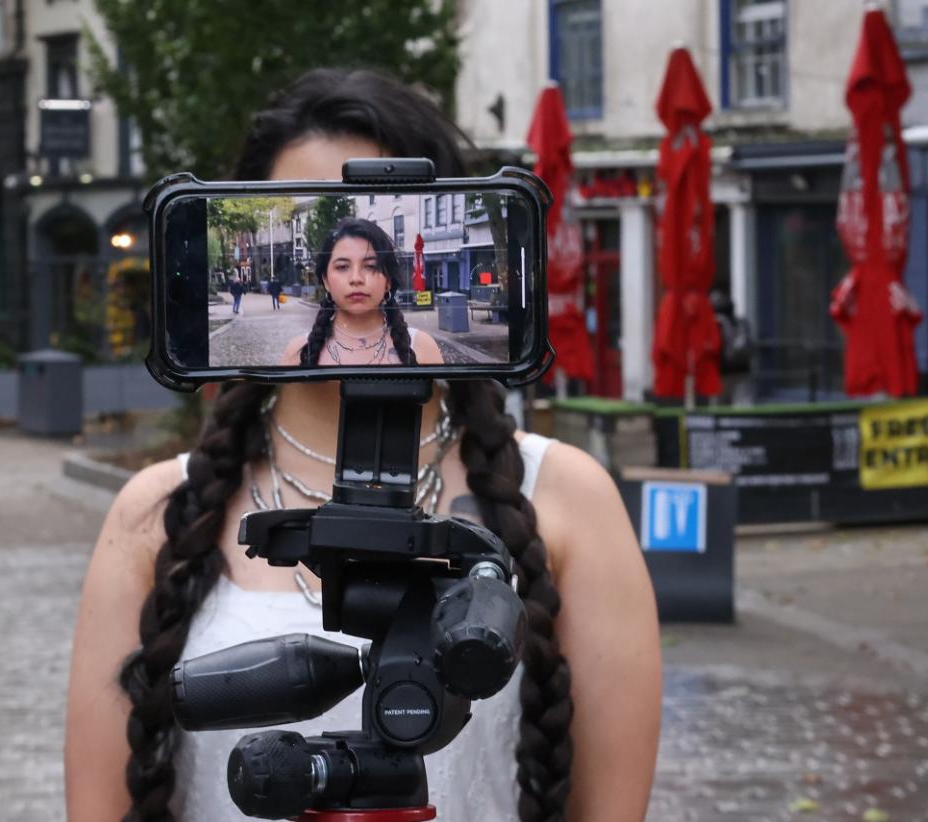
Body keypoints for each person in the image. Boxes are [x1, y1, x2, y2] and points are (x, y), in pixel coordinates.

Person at [64, 68, 662, 822]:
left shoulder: (566, 499)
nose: (352, 277)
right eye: (322, 225)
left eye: (371, 242)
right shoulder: (154, 514)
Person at [282, 217, 445, 366]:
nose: (356, 278)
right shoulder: (297, 354)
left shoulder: (422, 348)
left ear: (388, 280)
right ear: (326, 280)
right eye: (342, 267)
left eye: (370, 266)